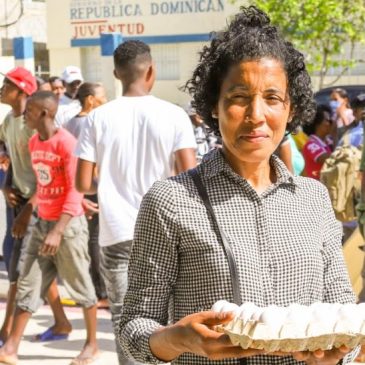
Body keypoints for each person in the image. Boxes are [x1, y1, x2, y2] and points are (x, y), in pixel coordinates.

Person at [118, 7, 357, 365]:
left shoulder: (314, 197)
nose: (256, 115)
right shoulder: (170, 200)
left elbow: (342, 310)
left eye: (272, 98)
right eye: (239, 97)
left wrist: (337, 355)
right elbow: (133, 329)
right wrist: (178, 339)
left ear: (291, 109)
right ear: (214, 105)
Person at [75, 40, 197, 364]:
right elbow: (191, 174)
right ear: (152, 70)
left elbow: (82, 182)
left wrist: (109, 183)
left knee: (123, 318)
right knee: (169, 318)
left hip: (115, 231)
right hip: (164, 231)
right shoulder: (174, 115)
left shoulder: (96, 119)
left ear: (116, 74)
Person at [0, 91, 99, 365]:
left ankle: (91, 345)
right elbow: (45, 186)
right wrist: (38, 218)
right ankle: (10, 348)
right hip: (42, 223)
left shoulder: (67, 145)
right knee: (26, 283)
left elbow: (74, 188)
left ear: (44, 113)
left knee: (81, 287)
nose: (25, 116)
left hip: (66, 229)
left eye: (30, 111)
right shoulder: (34, 142)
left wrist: (59, 229)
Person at [0, 67, 72, 346]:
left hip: (36, 205)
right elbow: (8, 153)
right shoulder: (9, 120)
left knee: (21, 268)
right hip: (17, 201)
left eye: (6, 84)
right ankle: (62, 321)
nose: (1, 88)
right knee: (30, 265)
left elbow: (50, 172)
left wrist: (30, 208)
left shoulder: (37, 127)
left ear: (21, 91)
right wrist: (6, 185)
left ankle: (7, 334)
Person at [65, 82, 109, 308]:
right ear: (90, 99)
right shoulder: (90, 124)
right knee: (96, 239)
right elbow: (90, 163)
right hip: (90, 187)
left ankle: (96, 288)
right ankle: (101, 291)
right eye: (103, 96)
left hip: (74, 190)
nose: (106, 100)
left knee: (90, 238)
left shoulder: (69, 123)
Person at [302, 105, 333, 179]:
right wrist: (335, 133)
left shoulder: (327, 142)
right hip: (315, 188)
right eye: (328, 120)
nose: (331, 123)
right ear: (317, 124)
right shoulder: (311, 144)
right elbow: (330, 161)